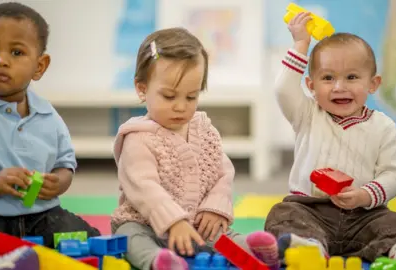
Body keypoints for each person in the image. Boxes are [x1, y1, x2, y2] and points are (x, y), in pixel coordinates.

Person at [251, 12, 396, 265]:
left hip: (365, 215)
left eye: (351, 77)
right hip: (310, 210)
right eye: (328, 78)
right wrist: (301, 44)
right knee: (282, 213)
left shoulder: (383, 126)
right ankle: (309, 247)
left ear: (373, 84)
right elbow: (283, 89)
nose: (339, 87)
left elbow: (393, 176)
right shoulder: (306, 114)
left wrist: (364, 195)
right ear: (311, 86)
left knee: (395, 222)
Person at [110, 27, 278, 270]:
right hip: (144, 224)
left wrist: (215, 208)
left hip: (197, 225)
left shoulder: (204, 130)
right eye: (169, 96)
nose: (180, 106)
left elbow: (222, 172)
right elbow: (145, 189)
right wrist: (173, 222)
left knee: (222, 239)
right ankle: (159, 262)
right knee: (129, 238)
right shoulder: (137, 138)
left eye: (191, 97)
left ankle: (257, 253)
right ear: (142, 88)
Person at [0, 3, 100, 269]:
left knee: (84, 235)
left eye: (16, 52)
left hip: (39, 215)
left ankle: (22, 258)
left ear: (40, 66)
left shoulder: (48, 115)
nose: (0, 59)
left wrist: (59, 182)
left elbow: (65, 164)